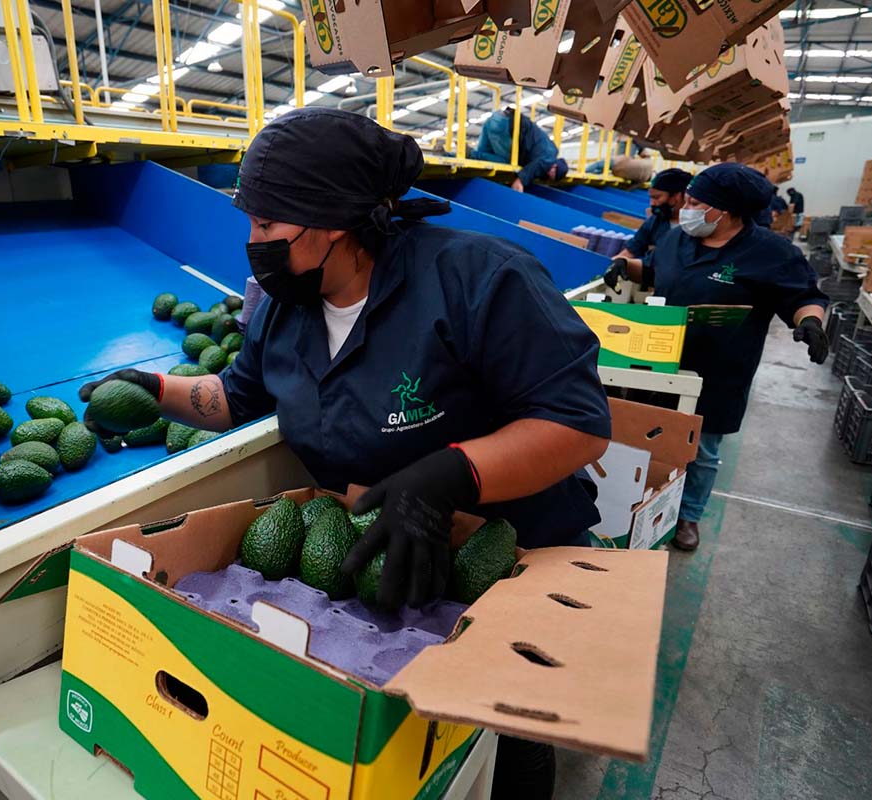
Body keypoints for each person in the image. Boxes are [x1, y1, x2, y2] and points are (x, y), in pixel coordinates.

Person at [80, 108, 613, 799]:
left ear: (331, 219)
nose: (253, 243)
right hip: (385, 563)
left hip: (515, 554)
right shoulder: (283, 303)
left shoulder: (477, 277)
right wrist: (155, 387)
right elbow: (237, 394)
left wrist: (448, 474)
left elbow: (576, 423)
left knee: (508, 733)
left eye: (267, 226)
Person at [644, 163, 829, 551]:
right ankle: (647, 508)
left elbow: (804, 296)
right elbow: (651, 271)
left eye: (696, 202)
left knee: (703, 449)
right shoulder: (675, 240)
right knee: (653, 437)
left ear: (724, 211)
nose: (686, 207)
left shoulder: (769, 252)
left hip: (720, 371)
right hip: (658, 361)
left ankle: (688, 516)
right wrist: (622, 267)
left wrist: (810, 322)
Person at [603, 167, 692, 291]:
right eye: (651, 198)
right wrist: (613, 265)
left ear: (676, 196)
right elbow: (631, 251)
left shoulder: (696, 226)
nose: (652, 203)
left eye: (657, 197)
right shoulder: (655, 221)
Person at [468, 107, 569, 192]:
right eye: (552, 174)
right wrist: (520, 181)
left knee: (481, 159)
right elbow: (539, 164)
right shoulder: (549, 157)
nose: (549, 175)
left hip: (497, 118)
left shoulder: (549, 148)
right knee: (505, 163)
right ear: (555, 165)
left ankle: (462, 154)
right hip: (504, 126)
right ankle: (470, 153)